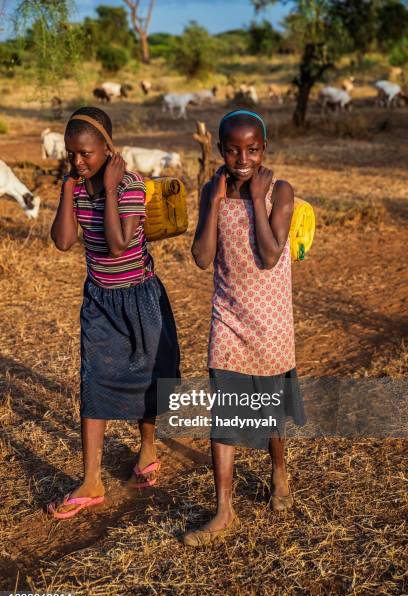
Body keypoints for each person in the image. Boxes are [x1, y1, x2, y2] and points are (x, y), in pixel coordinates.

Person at [48, 107, 180, 519]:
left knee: (148, 375)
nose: (77, 161)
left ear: (108, 149)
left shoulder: (129, 185)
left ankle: (147, 448)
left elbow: (120, 245)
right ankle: (91, 480)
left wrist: (106, 190)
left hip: (139, 296)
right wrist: (70, 188)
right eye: (71, 154)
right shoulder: (77, 183)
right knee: (95, 380)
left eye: (85, 153)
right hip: (100, 300)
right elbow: (64, 241)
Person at [185, 109, 306, 546]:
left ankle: (278, 470)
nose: (242, 157)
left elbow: (271, 254)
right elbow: (202, 257)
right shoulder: (210, 191)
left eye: (252, 149)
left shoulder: (280, 191)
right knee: (226, 410)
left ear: (264, 150)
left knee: (270, 411)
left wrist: (256, 198)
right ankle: (224, 510)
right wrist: (215, 203)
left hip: (270, 319)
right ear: (220, 150)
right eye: (233, 149)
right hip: (228, 316)